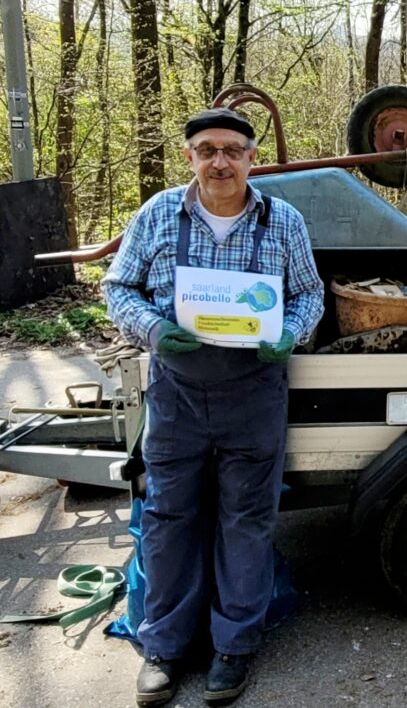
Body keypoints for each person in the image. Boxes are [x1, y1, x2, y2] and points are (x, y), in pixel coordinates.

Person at [103, 108, 324, 706]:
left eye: (232, 149)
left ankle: (234, 648)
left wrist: (294, 332)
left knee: (245, 520)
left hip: (254, 392)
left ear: (253, 157)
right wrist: (150, 328)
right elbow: (116, 286)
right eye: (207, 149)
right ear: (190, 158)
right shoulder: (156, 215)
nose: (220, 161)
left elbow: (310, 292)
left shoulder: (283, 221)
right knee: (169, 518)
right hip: (176, 392)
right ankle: (164, 649)